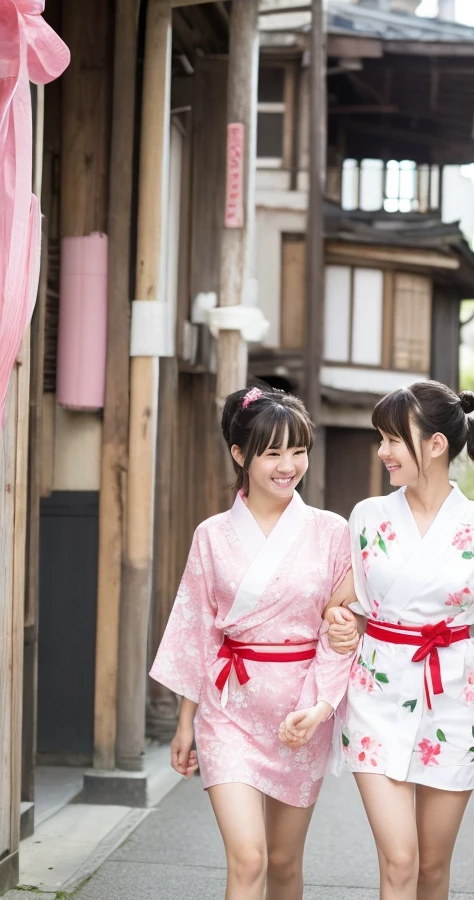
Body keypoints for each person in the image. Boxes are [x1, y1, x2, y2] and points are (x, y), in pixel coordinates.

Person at [326, 381, 474, 900]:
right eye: (381, 439)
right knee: (400, 861)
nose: (383, 452)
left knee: (432, 869)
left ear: (436, 445)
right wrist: (341, 620)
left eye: (393, 440)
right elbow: (338, 600)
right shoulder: (367, 516)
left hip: (455, 700)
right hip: (376, 693)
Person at [150, 386, 359, 900]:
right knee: (249, 858)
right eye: (272, 452)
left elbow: (342, 628)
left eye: (298, 450)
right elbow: (196, 628)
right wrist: (185, 721)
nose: (288, 465)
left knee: (285, 863)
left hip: (300, 710)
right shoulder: (212, 535)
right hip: (229, 710)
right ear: (240, 454)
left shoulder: (332, 532)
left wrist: (322, 705)